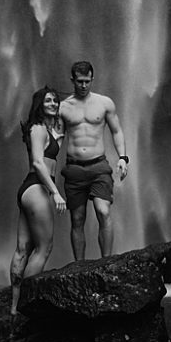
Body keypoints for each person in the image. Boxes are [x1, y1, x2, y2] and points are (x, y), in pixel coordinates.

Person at [57, 61, 127, 260]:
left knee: (103, 211)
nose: (83, 86)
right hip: (74, 169)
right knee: (77, 219)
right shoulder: (63, 107)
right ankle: (79, 265)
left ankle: (106, 261)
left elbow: (117, 131)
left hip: (99, 166)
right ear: (72, 80)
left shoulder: (105, 103)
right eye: (79, 81)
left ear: (92, 79)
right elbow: (58, 139)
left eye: (87, 81)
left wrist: (123, 157)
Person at [9, 86, 66, 311]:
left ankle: (14, 308)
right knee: (44, 248)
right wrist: (55, 192)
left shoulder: (44, 130)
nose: (53, 103)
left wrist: (59, 137)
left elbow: (48, 153)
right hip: (37, 188)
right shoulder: (38, 129)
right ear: (39, 105)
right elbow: (38, 163)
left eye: (55, 100)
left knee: (23, 249)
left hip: (28, 190)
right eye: (48, 101)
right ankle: (27, 305)